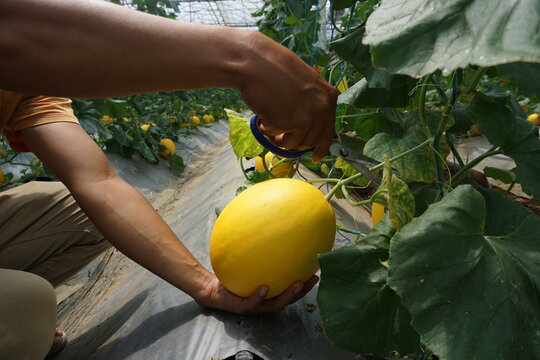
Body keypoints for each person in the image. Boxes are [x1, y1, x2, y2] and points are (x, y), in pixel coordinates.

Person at [0, 0, 337, 358]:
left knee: (85, 214)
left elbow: (97, 183)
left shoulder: (28, 90)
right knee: (26, 310)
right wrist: (245, 55)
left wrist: (206, 286)